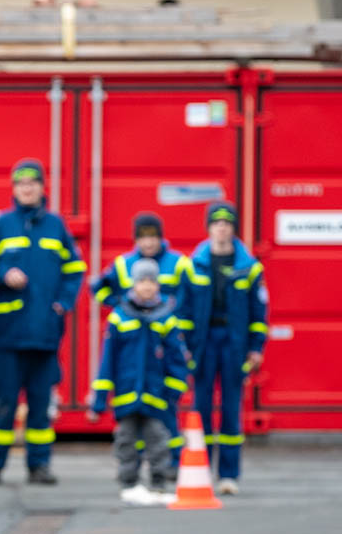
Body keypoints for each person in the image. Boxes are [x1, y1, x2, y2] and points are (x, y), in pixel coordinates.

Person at [0, 158, 86, 485]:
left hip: (44, 334)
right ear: (14, 189)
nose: (27, 189)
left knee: (41, 405)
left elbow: (74, 270)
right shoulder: (2, 225)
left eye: (33, 183)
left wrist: (61, 305)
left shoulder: (56, 227)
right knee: (3, 404)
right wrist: (2, 273)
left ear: (42, 187)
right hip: (7, 336)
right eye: (21, 184)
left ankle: (39, 466)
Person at [178, 202, 268, 495]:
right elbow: (183, 310)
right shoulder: (193, 265)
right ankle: (200, 470)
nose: (222, 228)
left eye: (227, 223)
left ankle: (229, 475)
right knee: (200, 407)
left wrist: (255, 348)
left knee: (231, 408)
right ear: (209, 228)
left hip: (234, 344)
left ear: (233, 228)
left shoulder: (249, 267)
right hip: (203, 344)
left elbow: (259, 312)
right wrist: (184, 346)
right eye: (216, 223)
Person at [89, 211, 192, 467]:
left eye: (153, 237)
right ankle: (135, 472)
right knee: (132, 426)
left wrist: (177, 322)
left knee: (165, 419)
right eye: (143, 238)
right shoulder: (123, 264)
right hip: (135, 344)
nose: (148, 243)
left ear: (161, 237)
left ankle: (172, 467)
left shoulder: (178, 264)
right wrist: (119, 305)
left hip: (164, 344)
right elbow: (97, 287)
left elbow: (192, 301)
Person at [86, 259, 189, 505]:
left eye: (152, 281)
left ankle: (158, 482)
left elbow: (176, 357)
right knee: (126, 441)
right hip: (127, 394)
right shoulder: (120, 317)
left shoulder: (166, 318)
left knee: (158, 440)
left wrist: (174, 389)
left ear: (158, 285)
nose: (147, 286)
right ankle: (129, 482)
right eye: (142, 281)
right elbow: (107, 361)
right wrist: (99, 400)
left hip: (156, 395)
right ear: (134, 284)